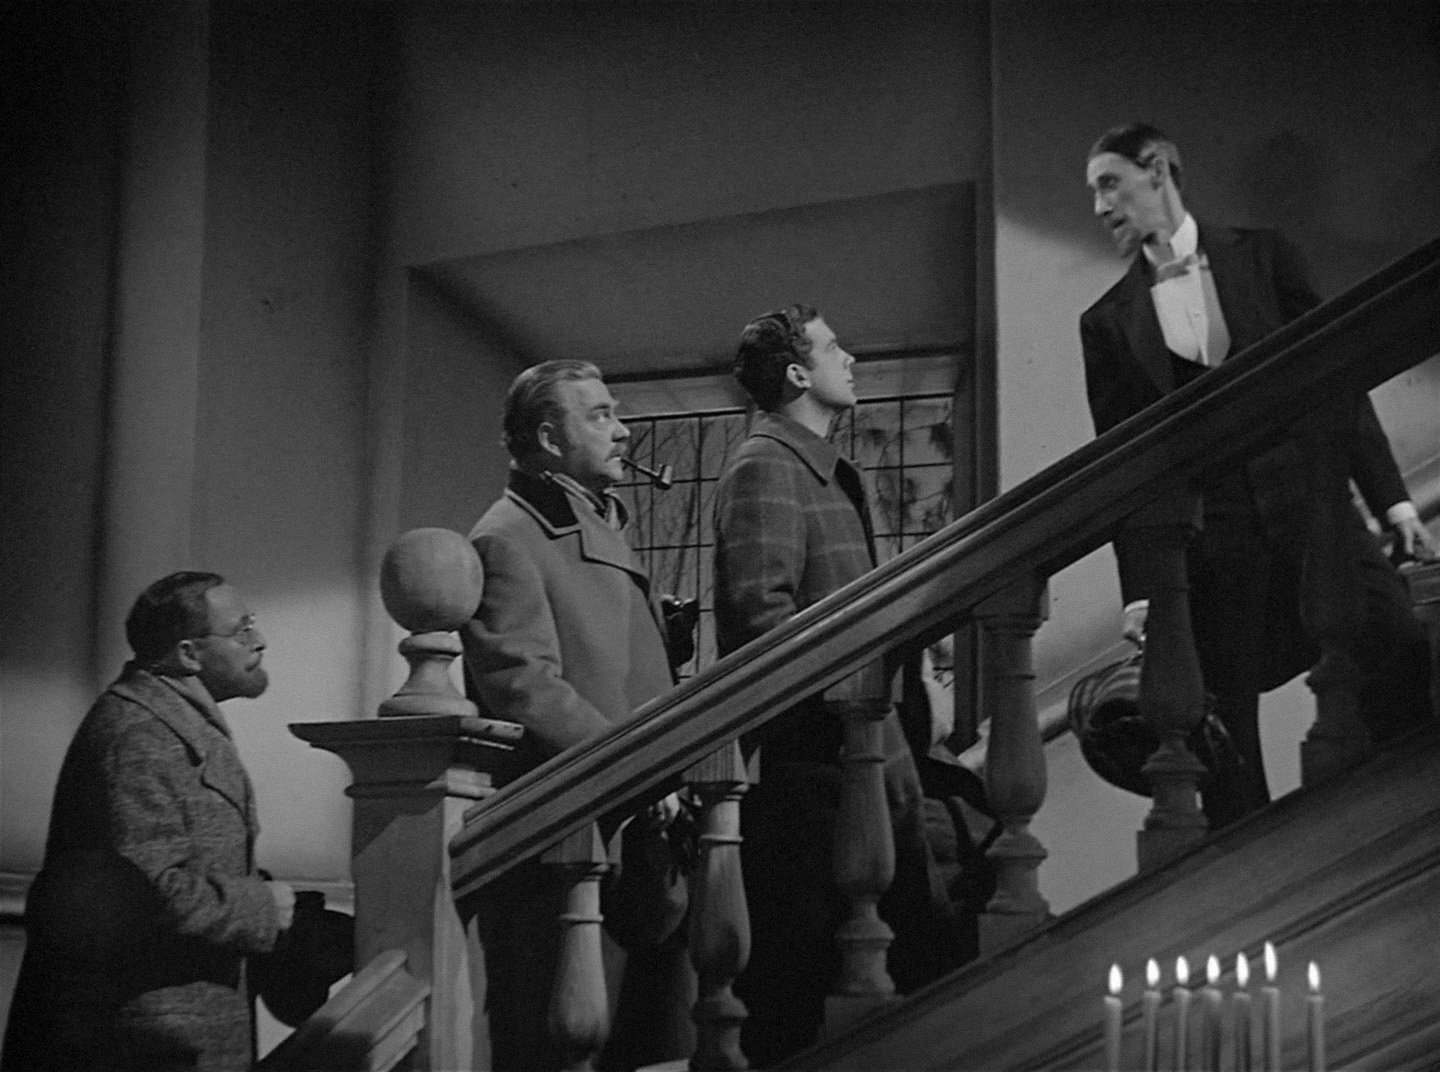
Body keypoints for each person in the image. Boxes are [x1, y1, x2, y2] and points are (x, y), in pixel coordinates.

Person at [1080, 121, 1437, 827]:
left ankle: (1402, 822)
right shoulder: (1107, 323)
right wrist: (1142, 592)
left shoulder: (1265, 257)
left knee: (1397, 642)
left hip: (1312, 507)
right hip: (1213, 541)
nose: (1099, 206)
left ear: (1158, 169)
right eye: (1094, 193)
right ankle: (1246, 872)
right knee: (1226, 737)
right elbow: (1126, 473)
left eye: (1110, 184)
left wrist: (1394, 504)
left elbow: (1339, 383)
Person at [712, 306, 957, 1066]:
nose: (849, 358)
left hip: (860, 762)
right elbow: (764, 617)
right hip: (820, 776)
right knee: (810, 1002)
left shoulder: (812, 465)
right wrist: (859, 707)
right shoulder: (766, 465)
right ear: (796, 372)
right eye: (832, 347)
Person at [461, 359, 694, 1072]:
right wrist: (642, 767)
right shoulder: (507, 537)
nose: (622, 431)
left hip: (634, 842)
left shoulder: (592, 523)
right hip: (569, 850)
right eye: (599, 415)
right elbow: (524, 687)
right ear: (548, 439)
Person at [2, 572, 294, 1072]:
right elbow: (147, 893)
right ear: (189, 654)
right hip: (143, 1043)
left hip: (174, 1033)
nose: (259, 640)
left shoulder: (171, 721)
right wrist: (262, 907)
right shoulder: (137, 736)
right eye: (241, 629)